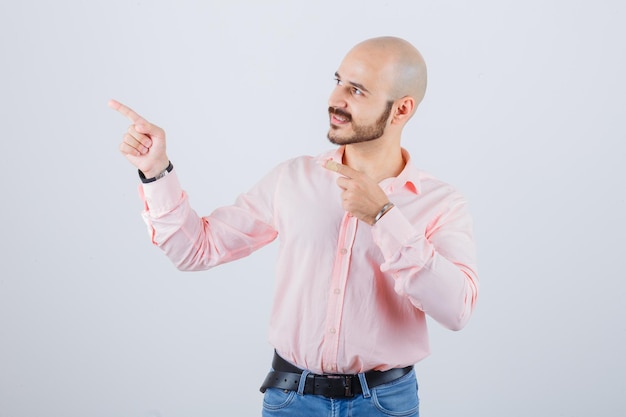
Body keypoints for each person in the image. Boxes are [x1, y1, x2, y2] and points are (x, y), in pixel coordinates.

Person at [110, 36, 479, 417]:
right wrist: (156, 172)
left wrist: (385, 218)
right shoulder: (293, 180)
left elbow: (456, 310)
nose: (336, 99)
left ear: (401, 109)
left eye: (357, 90)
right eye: (338, 81)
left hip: (386, 404)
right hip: (291, 401)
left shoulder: (441, 202)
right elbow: (196, 250)